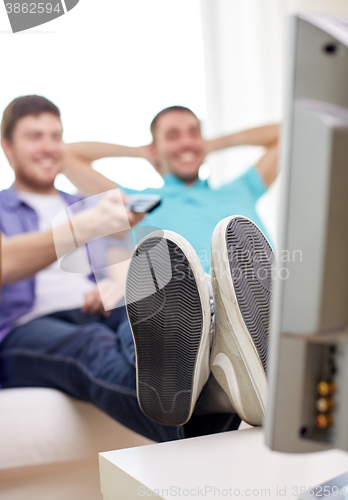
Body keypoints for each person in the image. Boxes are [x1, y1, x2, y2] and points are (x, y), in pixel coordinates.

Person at [0, 96, 274, 442]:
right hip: (25, 329)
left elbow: (117, 262)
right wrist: (86, 225)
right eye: (34, 137)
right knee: (92, 345)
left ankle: (219, 376)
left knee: (143, 321)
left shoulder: (83, 205)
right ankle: (210, 415)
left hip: (97, 309)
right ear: (7, 147)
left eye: (56, 137)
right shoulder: (77, 211)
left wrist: (114, 287)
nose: (49, 147)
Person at [65, 105, 279, 272]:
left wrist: (211, 144)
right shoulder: (136, 203)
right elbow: (66, 156)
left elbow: (287, 134)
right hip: (200, 312)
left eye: (193, 133)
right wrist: (141, 152)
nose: (186, 142)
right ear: (155, 150)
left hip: (270, 299)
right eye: (173, 136)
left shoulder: (241, 189)